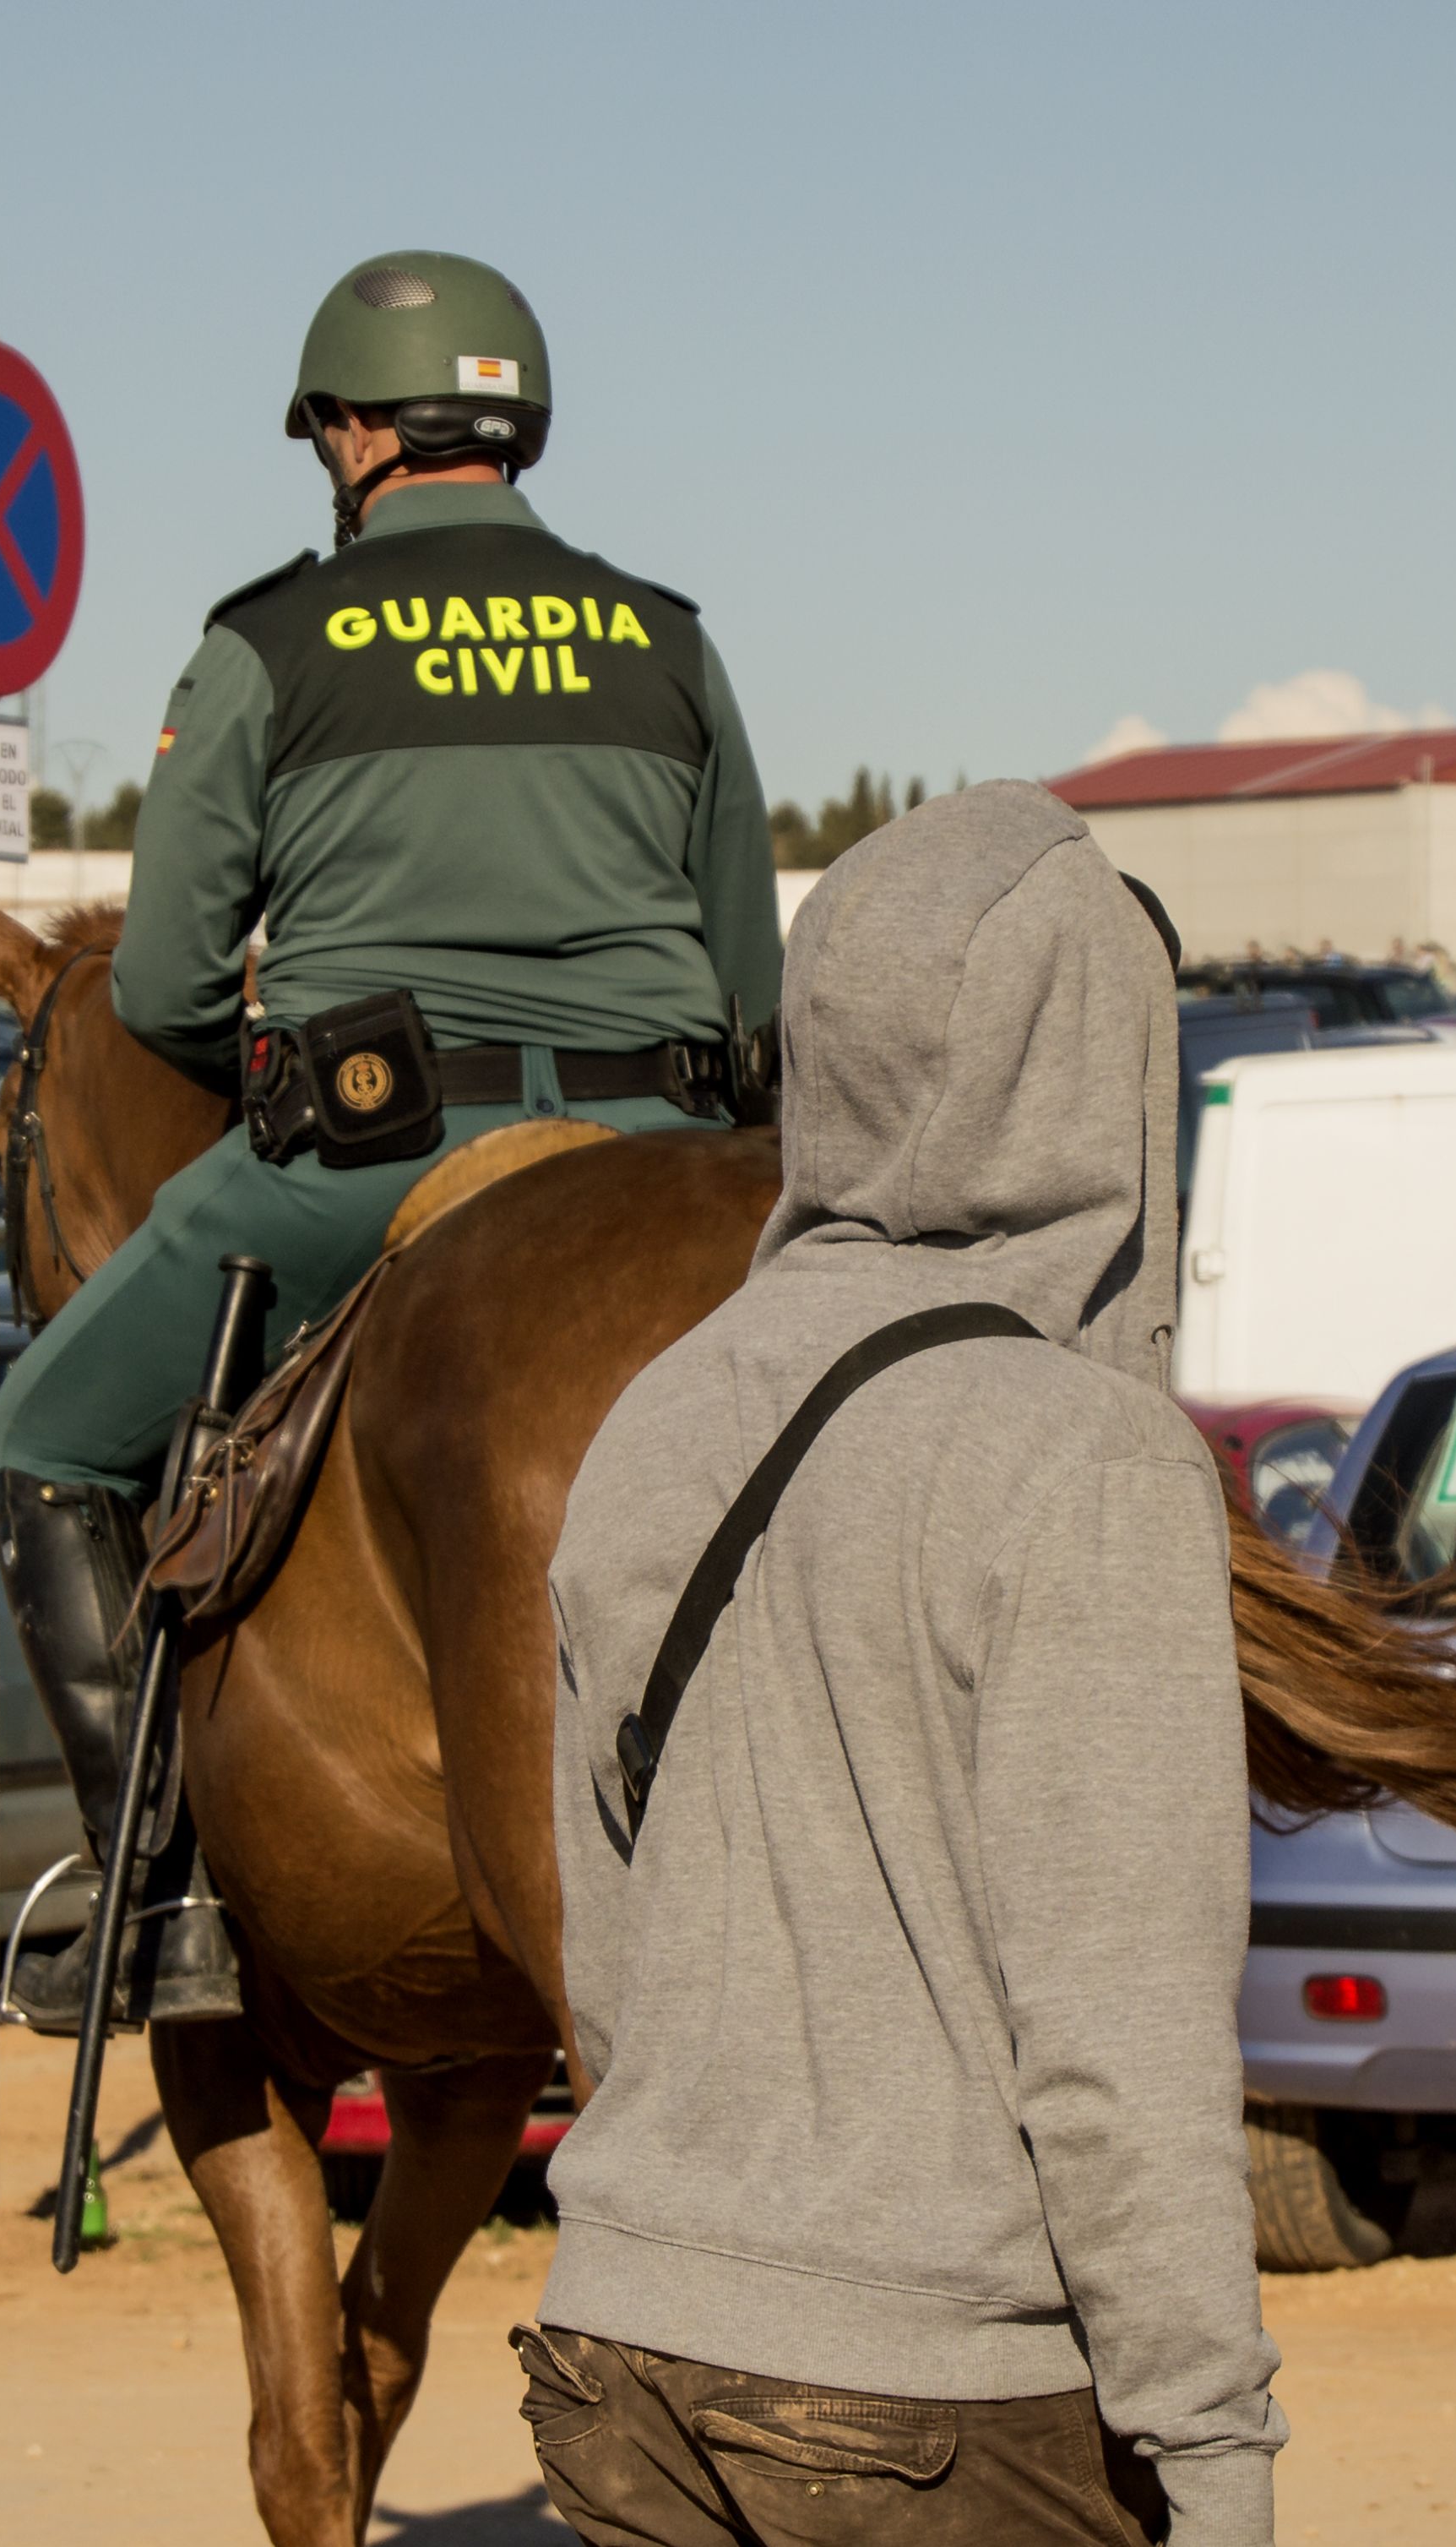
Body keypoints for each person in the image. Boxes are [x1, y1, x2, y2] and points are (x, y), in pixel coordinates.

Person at [0, 250, 782, 2027]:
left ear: (353, 435)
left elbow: (174, 987)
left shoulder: (267, 642)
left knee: (37, 1433)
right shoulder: (667, 639)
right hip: (675, 1152)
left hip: (372, 1159)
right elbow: (753, 997)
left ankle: (161, 1897)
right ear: (512, 430)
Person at [530, 785, 1282, 2546]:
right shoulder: (1086, 1457)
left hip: (625, 2346)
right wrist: (1217, 2451)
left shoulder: (662, 1405)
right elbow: (1122, 2036)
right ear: (1091, 1069)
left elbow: (607, 1949)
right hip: (935, 2404)